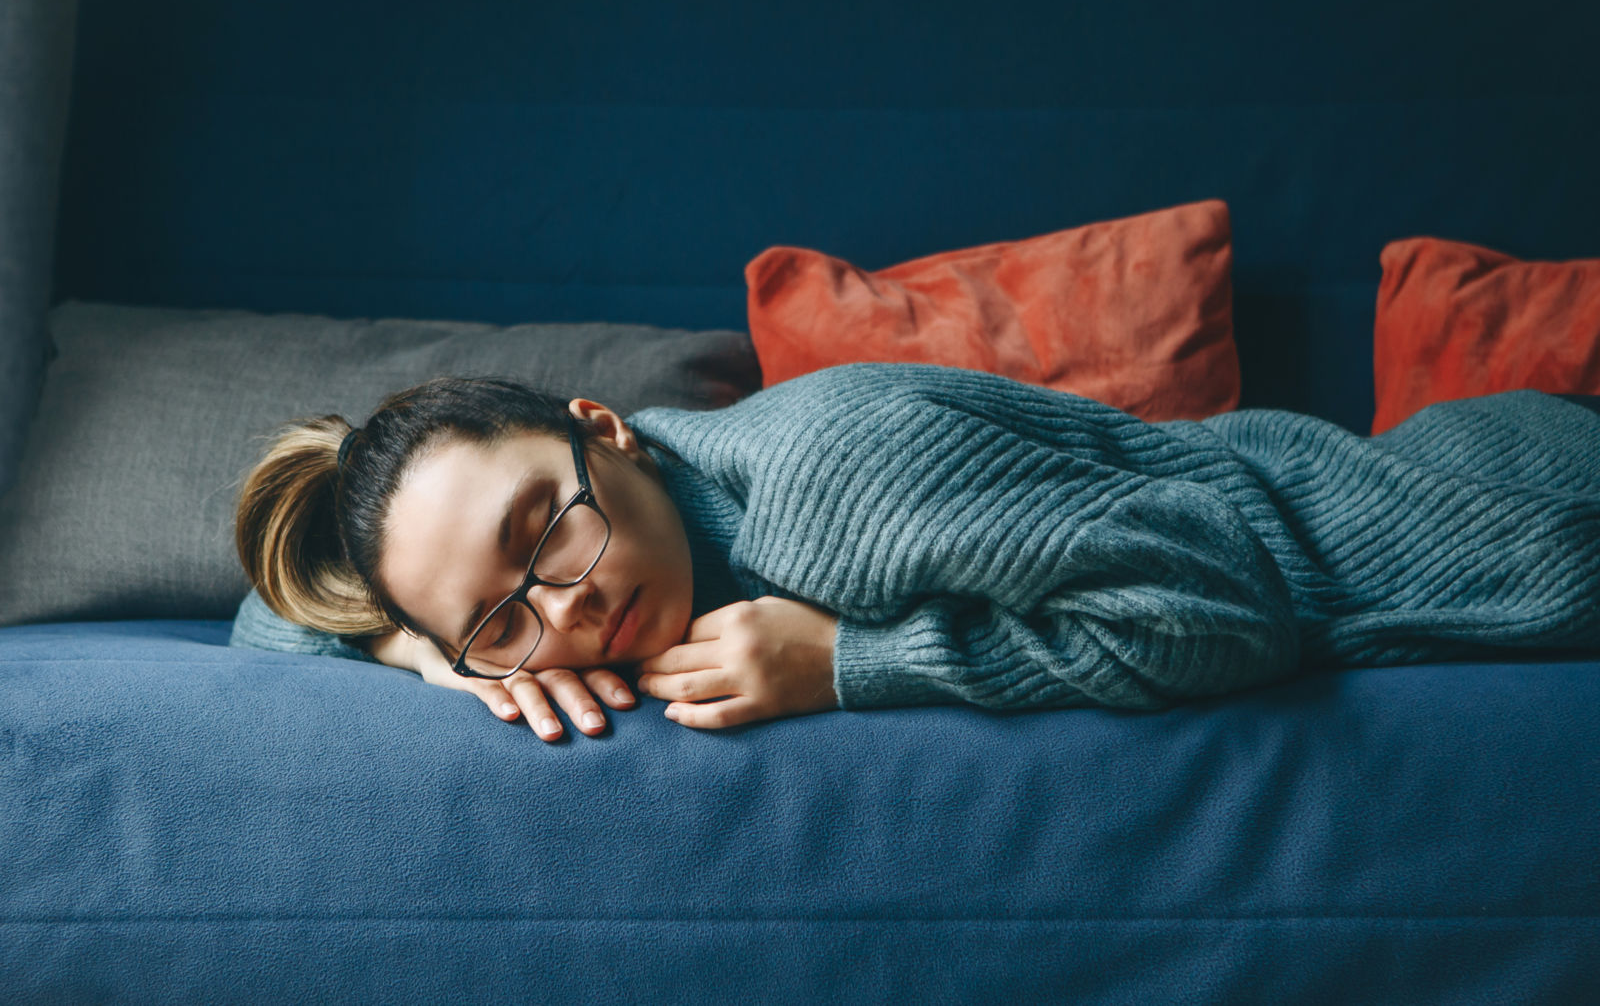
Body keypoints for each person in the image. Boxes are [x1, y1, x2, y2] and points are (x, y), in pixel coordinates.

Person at [231, 363, 1600, 742]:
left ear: (609, 432)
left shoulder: (832, 479)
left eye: (550, 525)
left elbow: (1226, 606)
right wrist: (433, 654)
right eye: (509, 612)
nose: (571, 599)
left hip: (1515, 520)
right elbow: (267, 620)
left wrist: (857, 663)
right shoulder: (505, 621)